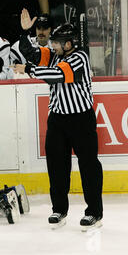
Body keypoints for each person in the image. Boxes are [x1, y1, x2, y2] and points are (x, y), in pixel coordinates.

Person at [14, 23, 103, 231]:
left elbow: (57, 76)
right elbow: (29, 52)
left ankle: (94, 212)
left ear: (69, 44)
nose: (53, 45)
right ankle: (59, 209)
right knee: (56, 167)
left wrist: (28, 69)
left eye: (57, 43)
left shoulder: (79, 57)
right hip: (57, 120)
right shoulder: (55, 55)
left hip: (81, 120)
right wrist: (25, 31)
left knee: (89, 166)